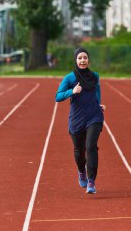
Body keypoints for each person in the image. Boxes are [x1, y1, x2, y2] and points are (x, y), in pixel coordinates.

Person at [55, 47, 106, 194]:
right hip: (77, 118)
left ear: (89, 60)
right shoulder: (70, 78)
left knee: (91, 147)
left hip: (94, 116)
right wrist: (72, 91)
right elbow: (58, 97)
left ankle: (91, 181)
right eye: (80, 58)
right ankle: (81, 170)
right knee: (79, 151)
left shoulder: (95, 76)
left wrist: (99, 105)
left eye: (85, 57)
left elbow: (97, 94)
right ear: (76, 60)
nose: (82, 60)